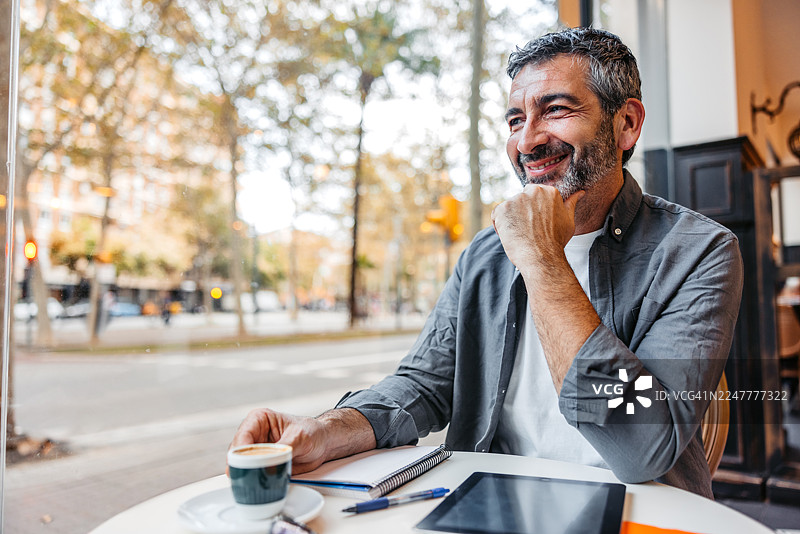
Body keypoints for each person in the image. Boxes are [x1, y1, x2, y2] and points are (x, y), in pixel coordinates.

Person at [232, 27, 743, 498]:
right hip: (490, 505)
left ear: (626, 123)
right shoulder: (485, 253)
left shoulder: (699, 252)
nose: (527, 142)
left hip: (640, 512)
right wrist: (328, 429)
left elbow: (642, 447)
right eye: (516, 120)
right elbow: (423, 384)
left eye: (557, 110)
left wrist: (543, 259)